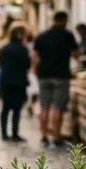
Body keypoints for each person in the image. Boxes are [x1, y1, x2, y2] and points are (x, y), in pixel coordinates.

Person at [33, 11, 80, 148]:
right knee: (58, 108)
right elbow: (76, 54)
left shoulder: (42, 36)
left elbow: (35, 56)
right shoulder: (68, 35)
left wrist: (37, 69)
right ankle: (56, 135)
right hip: (61, 75)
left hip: (44, 75)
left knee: (44, 106)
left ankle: (43, 136)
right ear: (65, 20)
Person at [0, 25, 32, 142]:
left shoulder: (4, 48)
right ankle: (15, 133)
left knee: (6, 108)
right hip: (19, 81)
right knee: (17, 108)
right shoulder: (23, 49)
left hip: (6, 81)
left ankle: (4, 133)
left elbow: (1, 63)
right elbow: (28, 65)